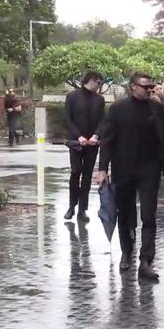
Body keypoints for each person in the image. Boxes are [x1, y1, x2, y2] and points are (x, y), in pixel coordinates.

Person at [96, 72, 164, 281]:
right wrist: (103, 169)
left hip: (149, 169)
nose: (148, 90)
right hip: (124, 169)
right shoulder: (117, 110)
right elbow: (107, 142)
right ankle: (126, 252)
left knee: (148, 215)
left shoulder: (156, 108)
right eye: (145, 87)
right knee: (126, 215)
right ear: (132, 87)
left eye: (151, 87)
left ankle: (145, 261)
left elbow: (162, 137)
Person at [63, 71, 105, 222]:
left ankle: (82, 209)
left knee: (87, 176)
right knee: (75, 172)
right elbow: (68, 119)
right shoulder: (72, 96)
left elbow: (102, 121)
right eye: (99, 83)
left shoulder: (100, 100)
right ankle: (71, 205)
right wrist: (78, 136)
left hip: (92, 144)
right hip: (76, 142)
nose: (100, 86)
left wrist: (96, 135)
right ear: (91, 81)